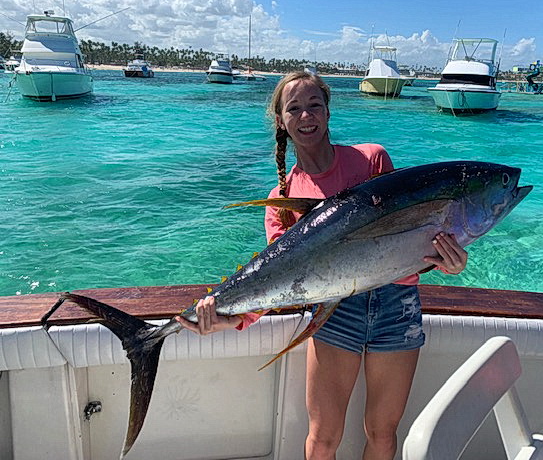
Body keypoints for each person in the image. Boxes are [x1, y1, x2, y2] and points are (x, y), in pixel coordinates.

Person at [177, 71, 469, 460]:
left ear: (328, 112)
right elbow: (280, 276)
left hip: (397, 307)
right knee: (322, 439)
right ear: (281, 121)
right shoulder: (281, 198)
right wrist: (236, 317)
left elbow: (408, 234)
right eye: (294, 108)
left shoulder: (372, 160)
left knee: (382, 433)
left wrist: (447, 261)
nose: (306, 115)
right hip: (336, 312)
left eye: (314, 105)